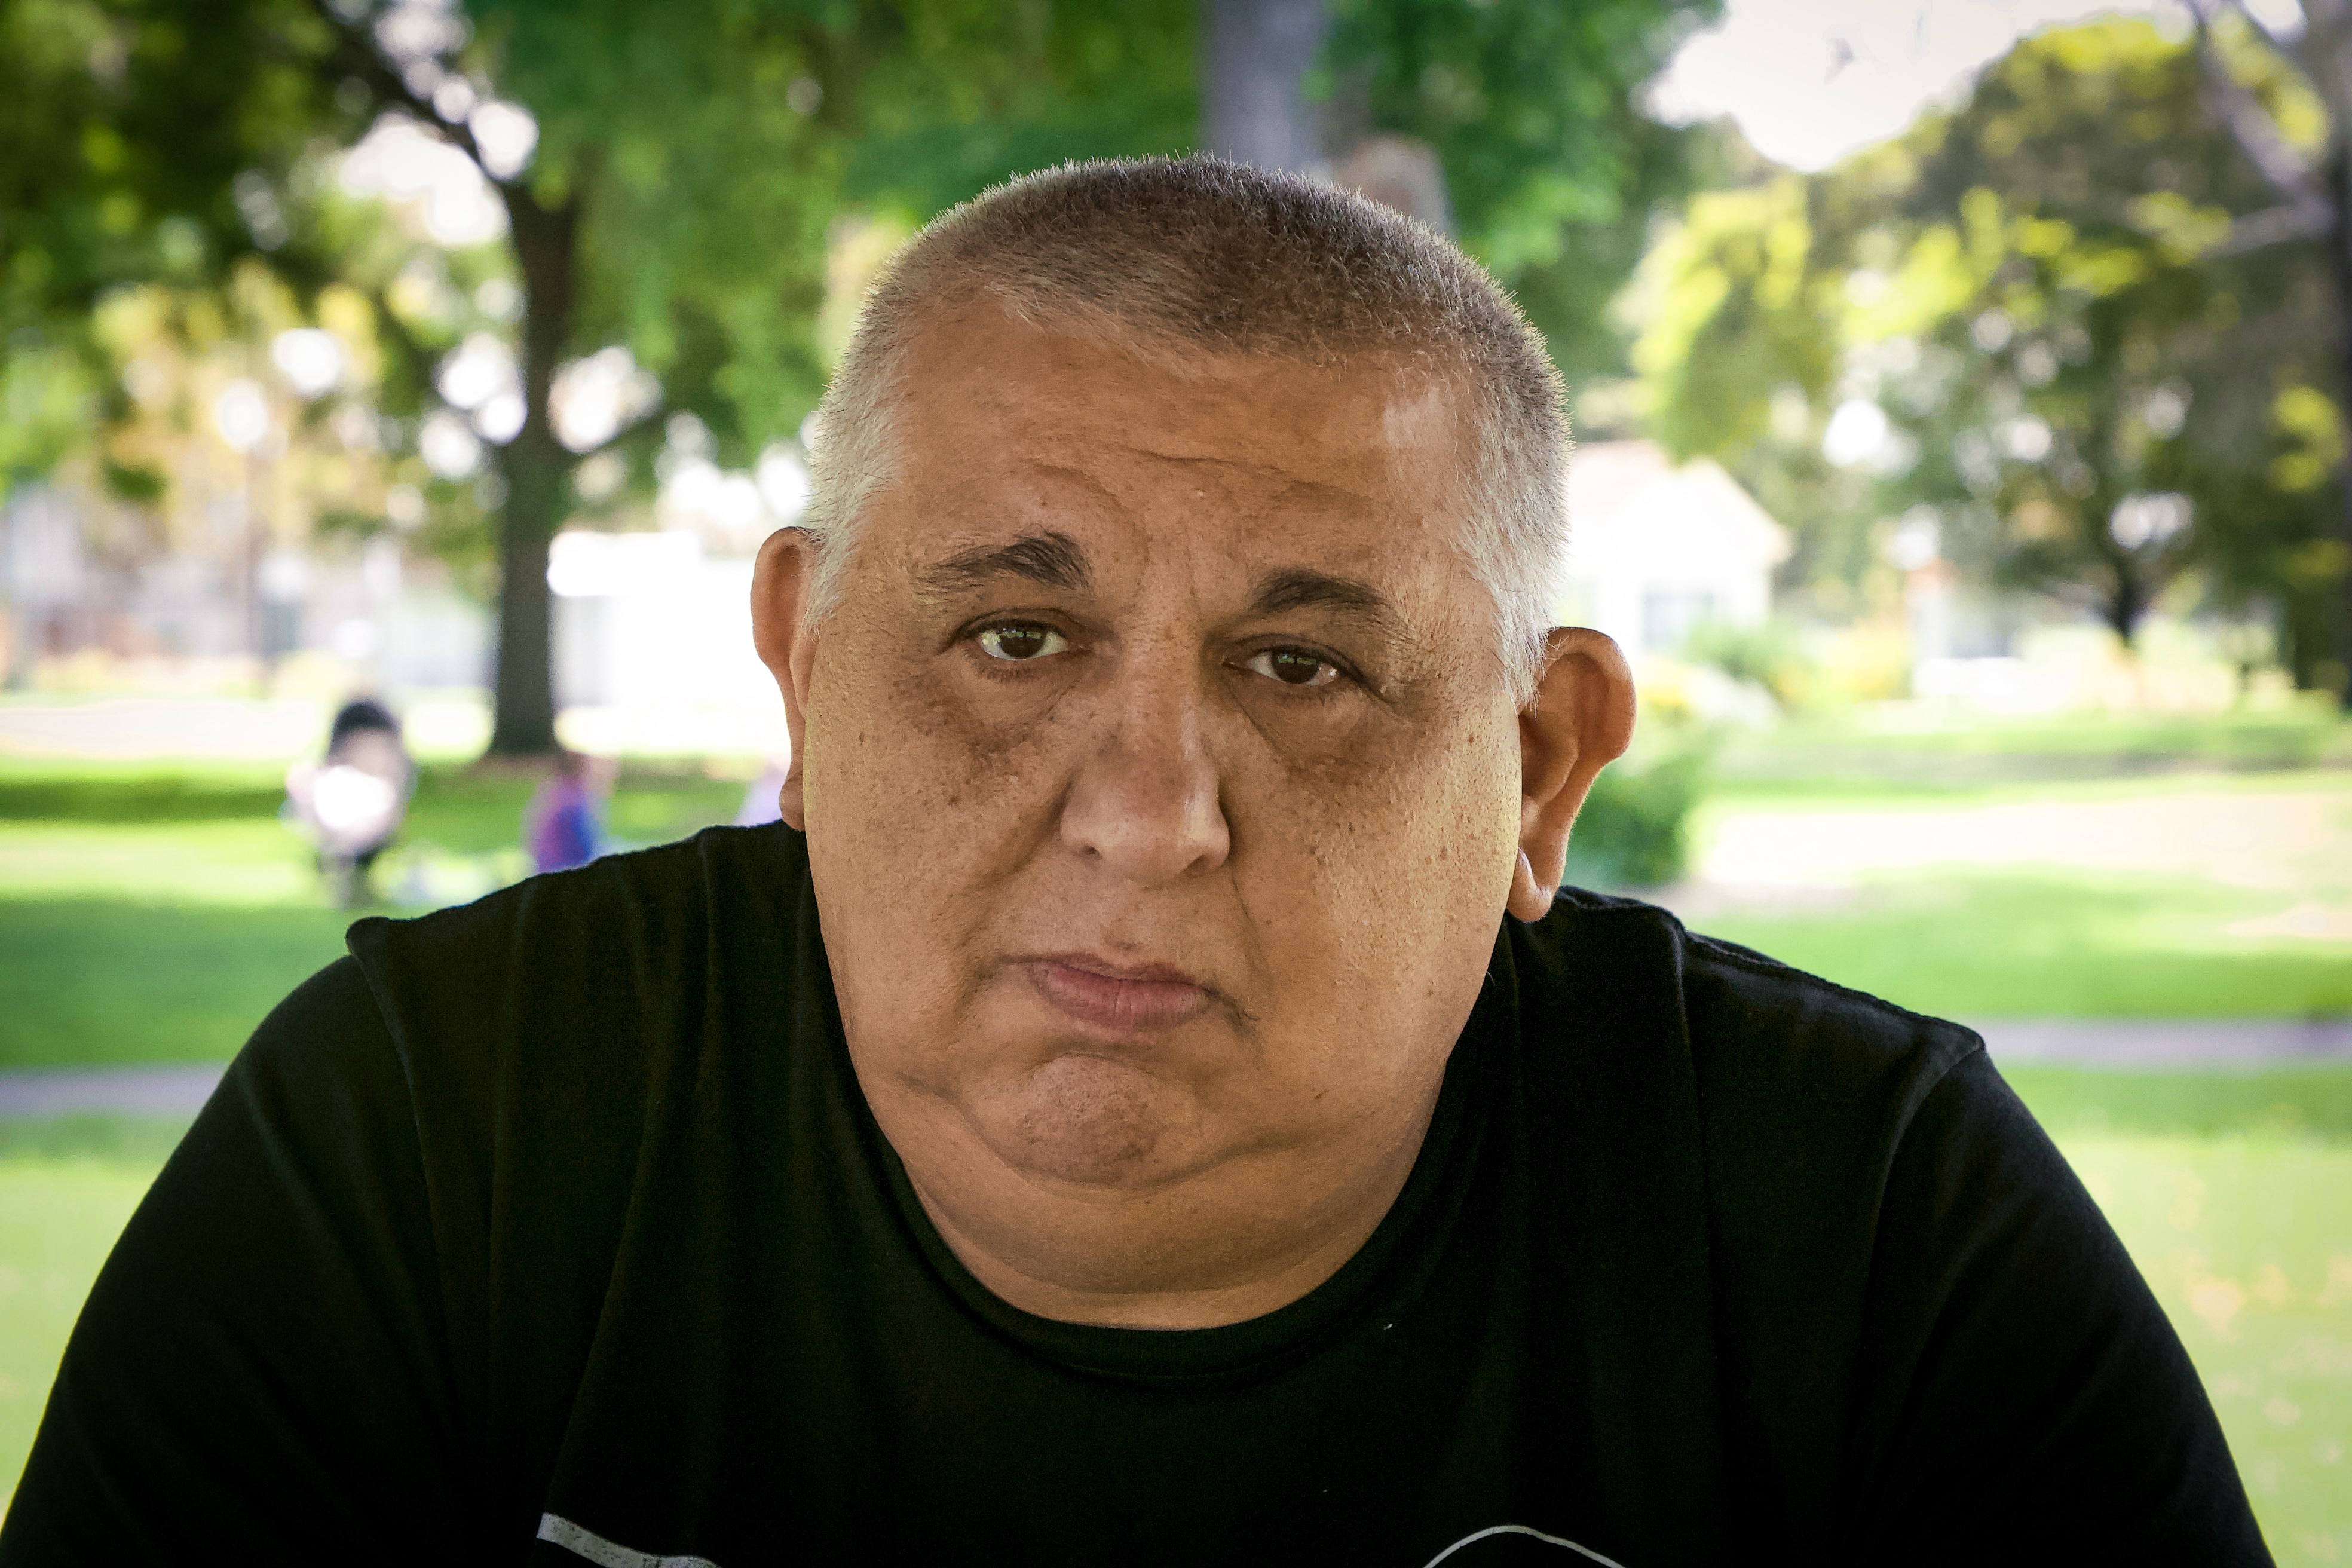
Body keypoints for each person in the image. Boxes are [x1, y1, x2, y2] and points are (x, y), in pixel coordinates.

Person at [0, 160, 2267, 1566]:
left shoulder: (1860, 1228)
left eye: (1302, 666)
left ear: (1537, 767)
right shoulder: (438, 1129)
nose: (1145, 806)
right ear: (804, 671)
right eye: (1014, 636)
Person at [282, 696, 414, 908]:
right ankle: (346, 872)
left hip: (363, 824)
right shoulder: (335, 782)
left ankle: (350, 873)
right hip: (344, 821)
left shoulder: (379, 787)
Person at [522, 749, 608, 874]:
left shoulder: (553, 793)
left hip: (544, 871)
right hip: (564, 873)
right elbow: (587, 850)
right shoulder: (575, 801)